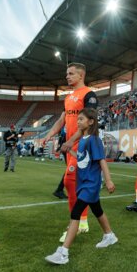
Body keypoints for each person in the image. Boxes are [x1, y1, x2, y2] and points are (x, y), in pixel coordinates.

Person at [45, 109, 117, 265]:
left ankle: (63, 252)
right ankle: (109, 235)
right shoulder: (83, 140)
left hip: (90, 183)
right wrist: (69, 150)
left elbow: (101, 160)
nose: (78, 122)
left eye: (81, 119)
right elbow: (82, 158)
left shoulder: (94, 140)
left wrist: (109, 180)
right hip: (83, 182)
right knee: (97, 210)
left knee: (76, 212)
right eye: (77, 119)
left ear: (91, 122)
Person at [44, 62, 98, 240]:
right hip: (70, 147)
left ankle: (77, 223)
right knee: (76, 185)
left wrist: (71, 141)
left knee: (70, 182)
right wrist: (49, 134)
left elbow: (89, 122)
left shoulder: (89, 95)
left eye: (71, 73)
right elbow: (62, 120)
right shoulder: (68, 98)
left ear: (81, 75)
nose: (67, 76)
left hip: (82, 146)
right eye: (67, 73)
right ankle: (82, 222)